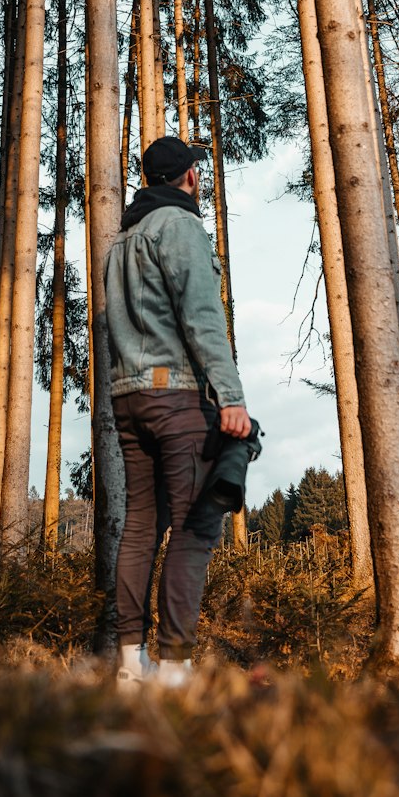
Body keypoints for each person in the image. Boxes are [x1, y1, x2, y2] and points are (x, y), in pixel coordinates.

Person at [105, 134, 251, 688]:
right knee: (194, 528)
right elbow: (202, 317)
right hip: (176, 397)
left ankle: (129, 665)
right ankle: (174, 668)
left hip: (128, 400)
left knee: (141, 526)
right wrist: (231, 398)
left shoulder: (121, 242)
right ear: (188, 176)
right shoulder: (182, 227)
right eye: (196, 168)